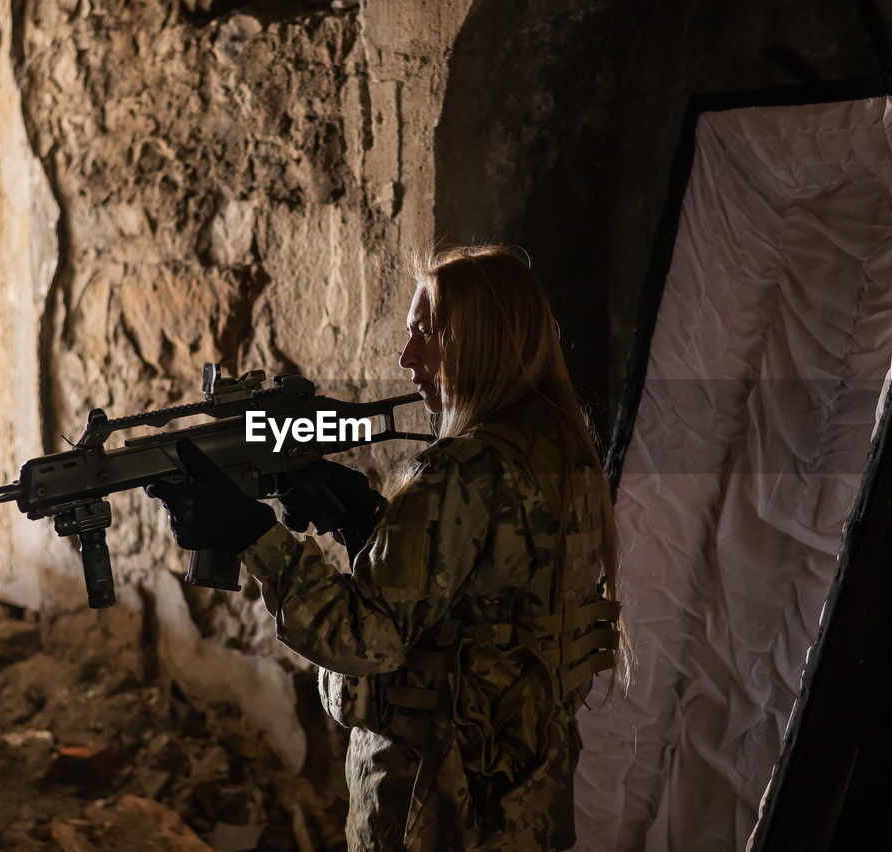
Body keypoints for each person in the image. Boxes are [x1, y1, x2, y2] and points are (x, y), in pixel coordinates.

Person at [148, 245, 630, 850]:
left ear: (481, 338)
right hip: (522, 800)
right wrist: (364, 523)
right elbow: (482, 606)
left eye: (427, 332)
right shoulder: (566, 457)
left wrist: (250, 531)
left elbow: (362, 638)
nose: (407, 358)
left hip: (435, 811)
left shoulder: (466, 469)